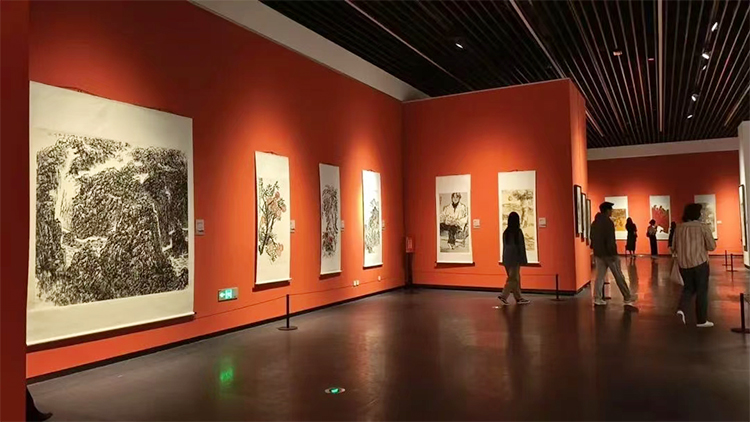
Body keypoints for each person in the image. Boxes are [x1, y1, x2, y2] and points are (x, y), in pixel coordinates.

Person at [673, 203, 717, 327]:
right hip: (700, 263)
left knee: (689, 288)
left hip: (683, 265)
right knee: (702, 291)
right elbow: (712, 246)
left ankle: (681, 309)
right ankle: (701, 320)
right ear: (697, 214)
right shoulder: (703, 227)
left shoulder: (679, 228)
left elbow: (673, 247)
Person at [590, 202, 638, 309]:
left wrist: (595, 250)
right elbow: (610, 240)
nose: (611, 211)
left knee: (599, 277)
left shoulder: (594, 223)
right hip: (609, 254)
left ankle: (597, 298)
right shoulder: (608, 223)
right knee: (619, 276)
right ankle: (627, 297)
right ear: (607, 210)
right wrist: (613, 253)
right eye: (611, 209)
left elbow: (592, 238)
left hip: (599, 254)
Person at [498, 212, 530, 305]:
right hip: (515, 259)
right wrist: (523, 260)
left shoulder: (506, 232)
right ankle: (504, 295)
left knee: (515, 278)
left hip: (507, 259)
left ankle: (518, 297)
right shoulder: (517, 232)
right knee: (513, 279)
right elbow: (521, 247)